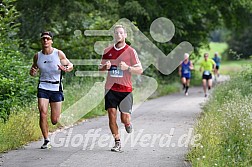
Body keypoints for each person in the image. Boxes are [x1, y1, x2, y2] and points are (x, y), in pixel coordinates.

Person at [99, 25, 143, 152]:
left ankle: (128, 123)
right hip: (110, 88)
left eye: (121, 33)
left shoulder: (130, 51)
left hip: (125, 90)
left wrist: (127, 68)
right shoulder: (107, 50)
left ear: (125, 35)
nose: (118, 35)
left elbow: (140, 70)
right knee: (111, 115)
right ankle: (117, 142)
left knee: (124, 118)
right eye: (116, 33)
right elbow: (100, 69)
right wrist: (105, 67)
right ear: (114, 35)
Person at [30, 31, 73, 149]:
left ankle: (53, 125)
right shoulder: (37, 56)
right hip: (43, 86)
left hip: (56, 87)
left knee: (54, 120)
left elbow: (70, 65)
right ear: (41, 41)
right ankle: (46, 140)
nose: (45, 41)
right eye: (43, 39)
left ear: (51, 41)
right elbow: (33, 69)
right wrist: (33, 72)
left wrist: (65, 68)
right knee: (42, 113)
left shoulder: (58, 54)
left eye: (48, 39)